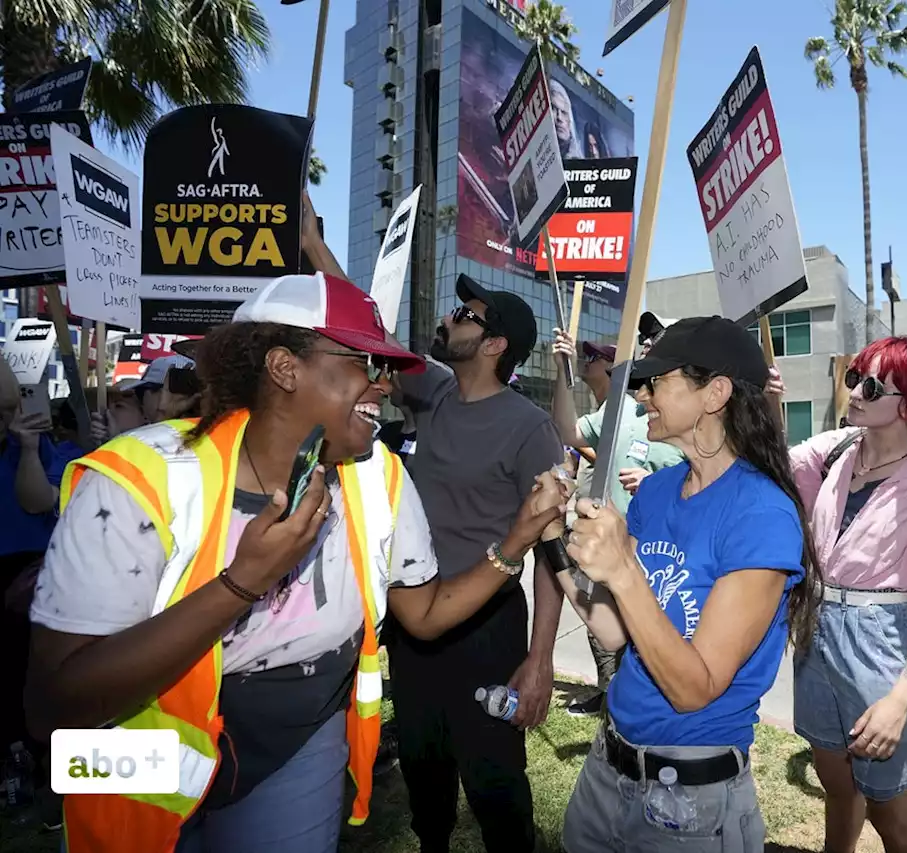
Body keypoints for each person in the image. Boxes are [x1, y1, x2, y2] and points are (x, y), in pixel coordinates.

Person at [25, 271, 566, 853]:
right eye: (365, 363)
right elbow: (54, 711)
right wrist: (241, 584)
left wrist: (517, 542)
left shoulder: (377, 475)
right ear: (285, 368)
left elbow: (426, 613)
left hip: (299, 745)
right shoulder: (138, 480)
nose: (383, 387)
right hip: (141, 762)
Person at [533, 316, 812, 853]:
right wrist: (551, 537)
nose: (640, 395)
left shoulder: (763, 515)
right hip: (607, 768)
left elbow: (694, 688)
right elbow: (613, 631)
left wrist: (621, 570)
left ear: (716, 393)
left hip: (690, 802)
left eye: (656, 380)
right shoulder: (657, 491)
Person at [392, 274, 564, 853]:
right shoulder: (434, 392)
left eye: (465, 315)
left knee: (494, 783)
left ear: (495, 345)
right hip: (414, 619)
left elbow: (551, 552)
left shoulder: (528, 427)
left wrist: (539, 660)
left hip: (487, 629)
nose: (449, 318)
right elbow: (367, 330)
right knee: (423, 768)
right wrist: (315, 248)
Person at [789, 337, 907, 853]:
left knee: (892, 814)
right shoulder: (831, 451)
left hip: (885, 644)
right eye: (855, 377)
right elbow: (764, 464)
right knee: (838, 787)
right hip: (816, 630)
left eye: (872, 385)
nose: (855, 391)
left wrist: (901, 699)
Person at [550, 329, 685, 716]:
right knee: (608, 631)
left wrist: (656, 483)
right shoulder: (620, 409)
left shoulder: (688, 419)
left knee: (647, 638)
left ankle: (642, 705)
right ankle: (615, 702)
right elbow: (569, 431)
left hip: (658, 556)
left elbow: (708, 480)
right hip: (608, 550)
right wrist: (562, 370)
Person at [0, 360, 76, 754]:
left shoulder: (30, 444)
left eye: (10, 409)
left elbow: (37, 503)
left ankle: (29, 751)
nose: (7, 419)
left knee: (27, 671)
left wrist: (28, 449)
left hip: (29, 574)